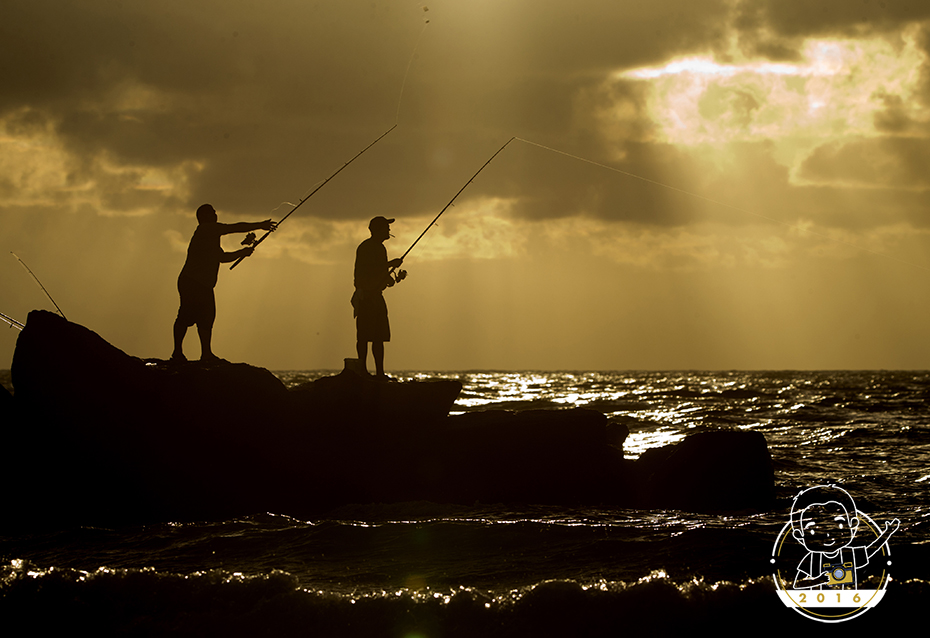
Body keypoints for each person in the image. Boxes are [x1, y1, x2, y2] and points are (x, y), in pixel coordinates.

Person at [171, 203, 276, 363]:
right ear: (204, 217)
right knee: (185, 316)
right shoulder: (206, 229)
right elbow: (234, 227)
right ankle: (177, 353)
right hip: (192, 282)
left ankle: (206, 354)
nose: (215, 214)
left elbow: (222, 258)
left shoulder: (211, 237)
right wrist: (260, 225)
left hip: (204, 285)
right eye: (212, 212)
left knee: (206, 318)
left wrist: (243, 252)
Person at [352, 216, 404, 378]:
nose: (389, 230)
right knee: (364, 337)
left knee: (378, 337)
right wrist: (390, 264)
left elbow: (380, 274)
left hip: (377, 296)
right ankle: (363, 371)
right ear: (378, 230)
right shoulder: (366, 247)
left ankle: (379, 373)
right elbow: (368, 269)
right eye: (386, 228)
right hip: (367, 297)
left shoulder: (380, 248)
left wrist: (392, 278)